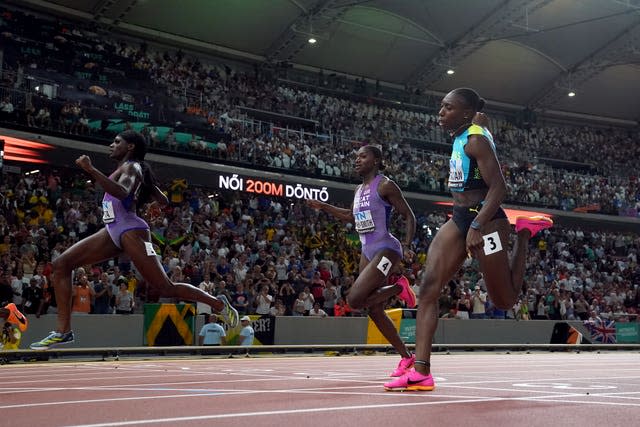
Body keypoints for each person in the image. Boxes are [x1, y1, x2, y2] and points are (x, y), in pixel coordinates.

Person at [384, 88, 553, 391]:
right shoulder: (470, 128)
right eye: (441, 107)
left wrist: (477, 224)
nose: (440, 113)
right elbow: (483, 117)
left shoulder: (477, 141)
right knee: (427, 288)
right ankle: (421, 370)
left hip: (487, 222)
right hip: (460, 218)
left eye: (447, 108)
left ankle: (525, 234)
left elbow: (499, 188)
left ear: (464, 114)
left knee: (505, 300)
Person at [30, 130, 238, 350]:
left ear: (130, 147)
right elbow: (163, 199)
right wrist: (154, 203)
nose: (111, 145)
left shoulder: (133, 167)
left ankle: (218, 304)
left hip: (131, 230)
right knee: (62, 264)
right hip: (112, 229)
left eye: (117, 142)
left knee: (165, 287)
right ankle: (63, 332)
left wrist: (91, 170)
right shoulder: (134, 169)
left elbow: (121, 191)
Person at [307, 144, 417, 377]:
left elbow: (409, 215)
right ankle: (407, 358)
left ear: (376, 160)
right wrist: (323, 206)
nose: (357, 160)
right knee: (374, 310)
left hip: (387, 249)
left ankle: (399, 286)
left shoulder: (385, 185)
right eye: (355, 157)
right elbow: (350, 216)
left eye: (363, 156)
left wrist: (407, 246)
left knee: (355, 300)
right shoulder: (358, 189)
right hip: (367, 251)